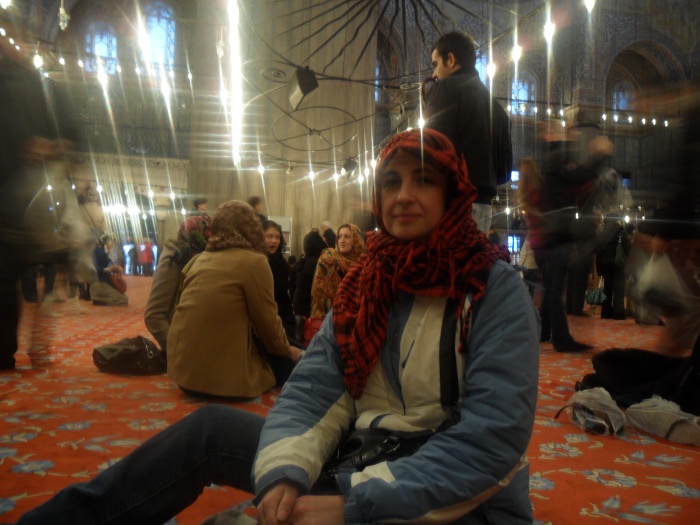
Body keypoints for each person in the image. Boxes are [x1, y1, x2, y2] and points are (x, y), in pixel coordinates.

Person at [13, 128, 539, 525]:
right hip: (360, 453)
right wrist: (285, 471)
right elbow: (316, 388)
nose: (403, 195)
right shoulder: (366, 282)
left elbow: (490, 442)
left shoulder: (490, 289)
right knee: (209, 431)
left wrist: (351, 504)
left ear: (451, 194)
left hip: (454, 496)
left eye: (423, 180)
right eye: (391, 182)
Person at [167, 201, 303, 398]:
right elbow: (268, 325)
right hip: (222, 382)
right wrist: (289, 351)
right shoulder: (254, 261)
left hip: (182, 375)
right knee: (295, 363)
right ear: (252, 228)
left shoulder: (197, 260)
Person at [423, 31, 512, 234]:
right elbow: (504, 171)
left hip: (453, 205)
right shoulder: (498, 110)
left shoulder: (445, 89)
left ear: (451, 59)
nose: (434, 74)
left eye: (435, 64)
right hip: (484, 208)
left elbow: (431, 151)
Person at [538, 125, 613, 352]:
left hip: (554, 232)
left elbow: (577, 176)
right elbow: (579, 175)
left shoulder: (553, 159)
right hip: (557, 233)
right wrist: (598, 154)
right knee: (555, 289)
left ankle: (543, 332)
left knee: (552, 288)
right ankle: (561, 339)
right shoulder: (556, 158)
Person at [144, 215, 212, 352]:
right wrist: (177, 348)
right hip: (180, 345)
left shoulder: (194, 258)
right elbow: (153, 316)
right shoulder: (172, 262)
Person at [310, 223, 364, 319]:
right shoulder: (329, 258)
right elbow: (321, 296)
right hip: (329, 319)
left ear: (356, 240)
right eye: (339, 237)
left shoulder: (364, 263)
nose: (341, 241)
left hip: (358, 319)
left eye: (347, 237)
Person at [262, 219, 297, 341]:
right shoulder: (258, 262)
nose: (274, 241)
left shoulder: (282, 262)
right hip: (266, 320)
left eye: (277, 237)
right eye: (269, 236)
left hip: (284, 317)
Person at [90, 234, 128, 307]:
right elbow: (96, 269)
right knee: (123, 300)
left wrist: (113, 269)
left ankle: (99, 299)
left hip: (98, 283)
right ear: (106, 243)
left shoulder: (100, 251)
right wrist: (110, 269)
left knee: (124, 298)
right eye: (111, 241)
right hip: (100, 283)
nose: (112, 244)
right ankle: (99, 299)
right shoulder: (101, 253)